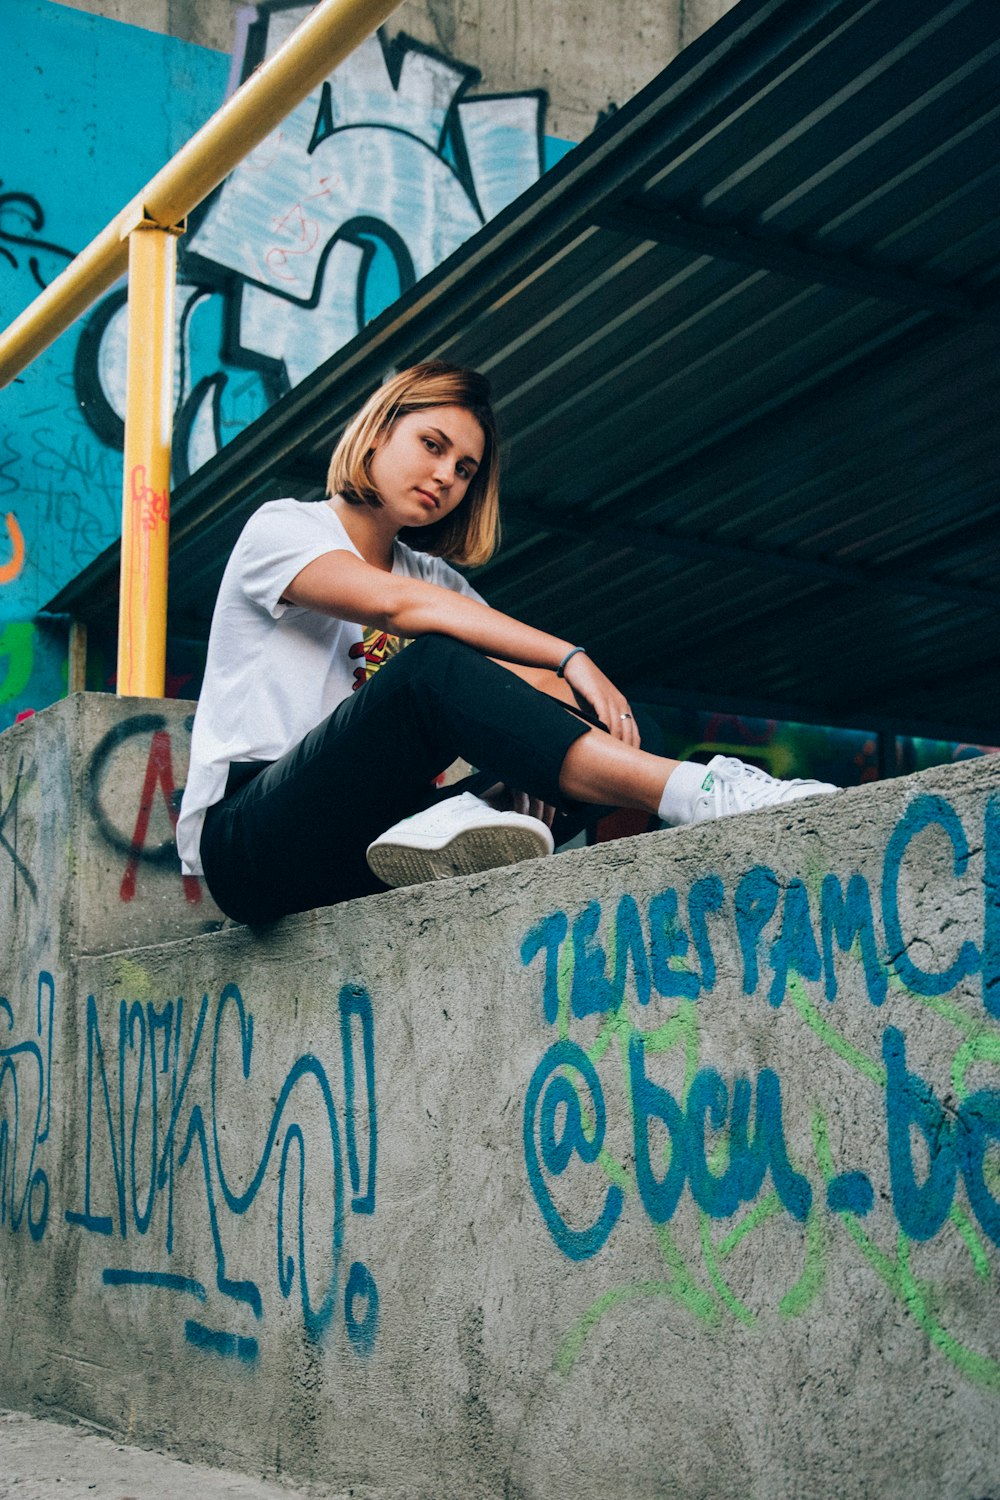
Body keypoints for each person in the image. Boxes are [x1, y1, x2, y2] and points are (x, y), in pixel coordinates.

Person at [176, 362, 836, 925]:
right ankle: (704, 793)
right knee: (433, 664)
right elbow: (399, 607)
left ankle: (462, 816)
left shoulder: (437, 577)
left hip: (365, 845)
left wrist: (551, 726)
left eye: (464, 469)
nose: (445, 477)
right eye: (432, 445)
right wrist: (569, 655)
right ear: (378, 431)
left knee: (599, 732)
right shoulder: (286, 529)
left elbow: (530, 690)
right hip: (253, 845)